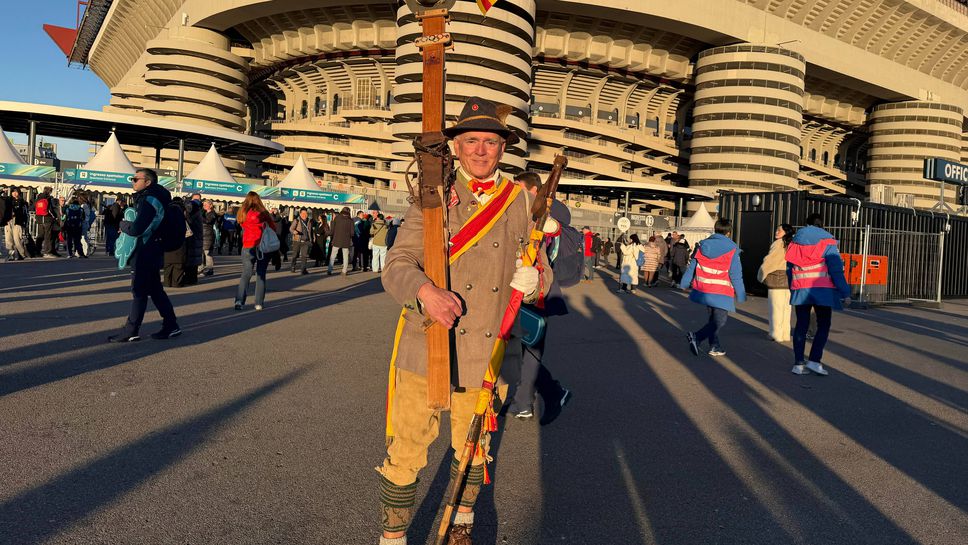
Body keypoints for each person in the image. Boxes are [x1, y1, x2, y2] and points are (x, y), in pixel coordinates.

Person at [379, 96, 549, 545]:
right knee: (407, 450)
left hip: (486, 352)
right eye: (470, 140)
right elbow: (397, 263)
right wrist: (425, 292)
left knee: (473, 451)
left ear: (502, 148)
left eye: (489, 142)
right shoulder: (432, 194)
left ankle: (461, 527)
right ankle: (393, 539)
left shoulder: (519, 201)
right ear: (456, 146)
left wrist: (534, 281)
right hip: (426, 343)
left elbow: (542, 267)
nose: (479, 150)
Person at [508, 171, 572, 423]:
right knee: (518, 348)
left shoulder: (549, 214)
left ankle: (552, 393)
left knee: (530, 348)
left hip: (540, 290)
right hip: (521, 287)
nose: (515, 194)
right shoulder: (528, 212)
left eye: (519, 189)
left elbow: (548, 246)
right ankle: (522, 400)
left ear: (533, 191)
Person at [108, 168, 180, 342]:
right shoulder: (156, 197)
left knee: (139, 291)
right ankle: (171, 325)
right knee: (155, 290)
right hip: (153, 248)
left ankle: (131, 330)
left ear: (147, 182)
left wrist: (124, 224)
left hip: (144, 250)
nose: (132, 182)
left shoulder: (149, 199)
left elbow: (137, 228)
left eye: (135, 179)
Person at [787, 214, 851, 376]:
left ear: (806, 224)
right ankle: (814, 360)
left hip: (801, 289)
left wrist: (792, 287)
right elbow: (836, 270)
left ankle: (798, 364)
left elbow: (789, 269)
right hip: (823, 290)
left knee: (801, 325)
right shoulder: (828, 242)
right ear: (821, 225)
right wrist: (845, 292)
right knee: (823, 325)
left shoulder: (794, 243)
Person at [682, 219, 746, 357]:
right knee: (719, 320)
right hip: (722, 290)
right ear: (729, 233)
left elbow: (692, 265)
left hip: (705, 288)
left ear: (715, 229)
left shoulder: (703, 246)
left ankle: (714, 346)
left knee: (713, 319)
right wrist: (740, 293)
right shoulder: (732, 249)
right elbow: (735, 274)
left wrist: (685, 282)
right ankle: (696, 337)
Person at [234, 192, 276, 311]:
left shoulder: (242, 212)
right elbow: (273, 228)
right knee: (260, 274)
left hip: (247, 245)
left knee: (246, 274)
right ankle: (258, 303)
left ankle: (239, 301)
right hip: (262, 246)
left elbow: (241, 225)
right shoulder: (263, 213)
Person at [758, 224, 795, 343]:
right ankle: (785, 334)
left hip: (776, 278)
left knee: (776, 308)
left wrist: (760, 275)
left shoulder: (778, 243)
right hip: (789, 278)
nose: (776, 232)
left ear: (785, 232)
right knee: (786, 308)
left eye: (779, 230)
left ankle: (775, 334)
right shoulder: (792, 244)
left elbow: (770, 261)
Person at [182, 196, 204, 286]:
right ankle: (192, 278)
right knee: (193, 260)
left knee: (190, 260)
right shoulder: (198, 214)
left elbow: (189, 223)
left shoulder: (193, 215)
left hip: (193, 239)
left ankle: (189, 278)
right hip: (197, 239)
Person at [3, 188, 29, 261]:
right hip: (8, 221)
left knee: (17, 239)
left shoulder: (23, 202)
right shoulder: (8, 200)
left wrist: (25, 223)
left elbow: (25, 213)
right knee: (8, 239)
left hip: (18, 221)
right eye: (13, 192)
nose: (14, 193)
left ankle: (22, 254)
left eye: (16, 192)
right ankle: (11, 254)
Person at [328, 207, 353, 275]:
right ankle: (344, 271)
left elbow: (332, 230)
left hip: (337, 240)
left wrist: (332, 221)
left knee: (333, 256)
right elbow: (352, 233)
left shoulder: (337, 218)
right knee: (345, 256)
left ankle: (329, 270)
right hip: (346, 241)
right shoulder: (350, 220)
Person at [33, 186, 56, 257]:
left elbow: (34, 207)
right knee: (47, 236)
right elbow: (51, 210)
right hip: (47, 219)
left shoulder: (38, 198)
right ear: (49, 191)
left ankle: (37, 251)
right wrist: (54, 216)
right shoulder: (49, 198)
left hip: (39, 219)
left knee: (40, 235)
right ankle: (47, 252)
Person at [289, 207, 313, 274]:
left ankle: (303, 269)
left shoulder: (309, 221)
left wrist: (311, 239)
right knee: (295, 255)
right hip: (297, 240)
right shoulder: (296, 220)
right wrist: (294, 232)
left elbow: (310, 231)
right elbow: (291, 229)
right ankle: (293, 266)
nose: (304, 215)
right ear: (300, 214)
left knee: (304, 256)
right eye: (303, 213)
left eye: (305, 213)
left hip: (305, 241)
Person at [200, 199, 217, 276]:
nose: (204, 206)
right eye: (203, 205)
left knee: (208, 253)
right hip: (202, 235)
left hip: (208, 236)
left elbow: (208, 221)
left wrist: (200, 216)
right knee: (201, 253)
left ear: (210, 205)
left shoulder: (212, 213)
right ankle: (201, 268)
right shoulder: (203, 212)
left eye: (206, 205)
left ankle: (210, 269)